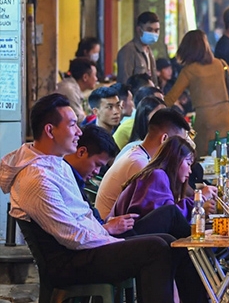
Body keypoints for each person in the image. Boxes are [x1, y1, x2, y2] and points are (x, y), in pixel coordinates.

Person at [0, 94, 200, 302]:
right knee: (156, 248)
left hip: (85, 246)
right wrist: (113, 239)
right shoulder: (37, 178)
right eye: (72, 125)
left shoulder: (54, 163)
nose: (79, 132)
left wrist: (110, 234)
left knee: (168, 240)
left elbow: (82, 218)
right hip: (69, 261)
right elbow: (72, 236)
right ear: (50, 130)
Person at [165, 30, 229, 154]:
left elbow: (171, 97)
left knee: (203, 155)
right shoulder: (220, 63)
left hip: (206, 119)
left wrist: (155, 111)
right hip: (226, 116)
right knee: (226, 154)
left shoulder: (188, 71)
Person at [112, 135, 217, 238]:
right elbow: (168, 218)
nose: (189, 171)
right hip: (129, 236)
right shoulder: (156, 175)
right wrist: (200, 198)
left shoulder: (154, 175)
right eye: (188, 163)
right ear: (176, 159)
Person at [95, 108, 190, 219]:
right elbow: (161, 213)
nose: (182, 149)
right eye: (179, 143)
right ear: (164, 139)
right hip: (112, 230)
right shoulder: (139, 163)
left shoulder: (139, 152)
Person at [116, 11, 160, 86]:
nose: (154, 33)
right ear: (139, 30)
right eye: (149, 30)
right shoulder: (128, 51)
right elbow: (124, 82)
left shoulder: (149, 51)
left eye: (156, 30)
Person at [56, 57, 97, 122]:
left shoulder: (74, 89)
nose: (96, 79)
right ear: (85, 77)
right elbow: (80, 121)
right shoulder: (69, 90)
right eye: (94, 75)